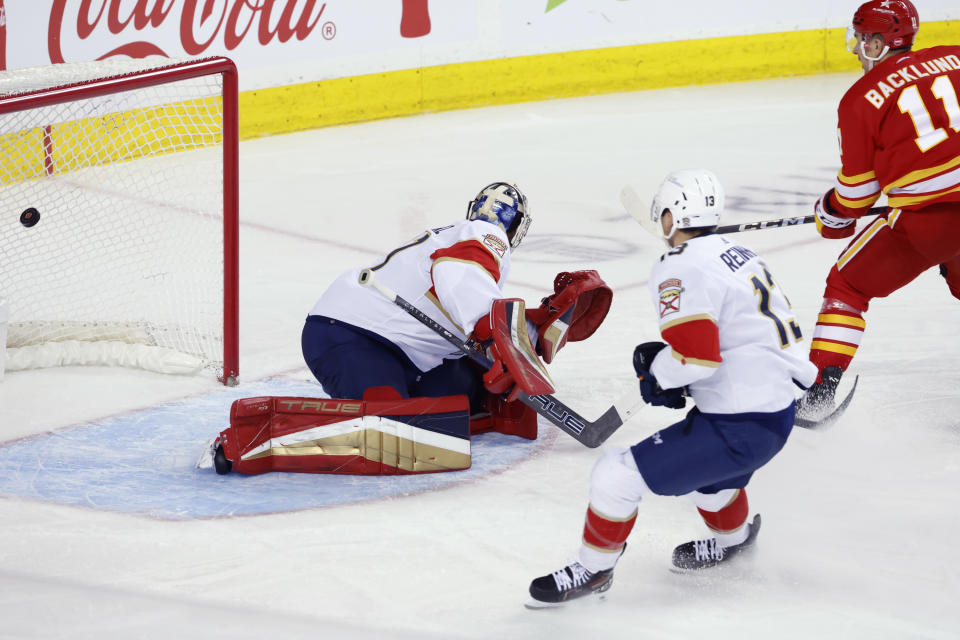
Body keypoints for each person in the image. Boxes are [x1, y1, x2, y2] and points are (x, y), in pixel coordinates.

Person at [526, 170, 817, 607]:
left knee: (616, 476)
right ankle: (734, 540)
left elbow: (697, 358)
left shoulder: (682, 265)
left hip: (740, 425)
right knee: (714, 483)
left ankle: (593, 569)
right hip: (775, 412)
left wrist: (657, 373)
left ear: (670, 216)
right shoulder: (739, 252)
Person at [302, 181, 610, 440]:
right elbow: (458, 274)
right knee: (391, 429)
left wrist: (534, 325)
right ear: (516, 226)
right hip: (351, 335)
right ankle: (303, 429)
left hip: (407, 353)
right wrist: (494, 337)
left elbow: (474, 308)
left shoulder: (459, 233)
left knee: (466, 396)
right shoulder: (486, 235)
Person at [799, 0, 960, 420]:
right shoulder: (956, 56)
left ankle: (817, 397)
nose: (854, 48)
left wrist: (830, 214)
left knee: (847, 286)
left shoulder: (859, 100)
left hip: (931, 224)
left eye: (859, 38)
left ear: (876, 42)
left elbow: (856, 194)